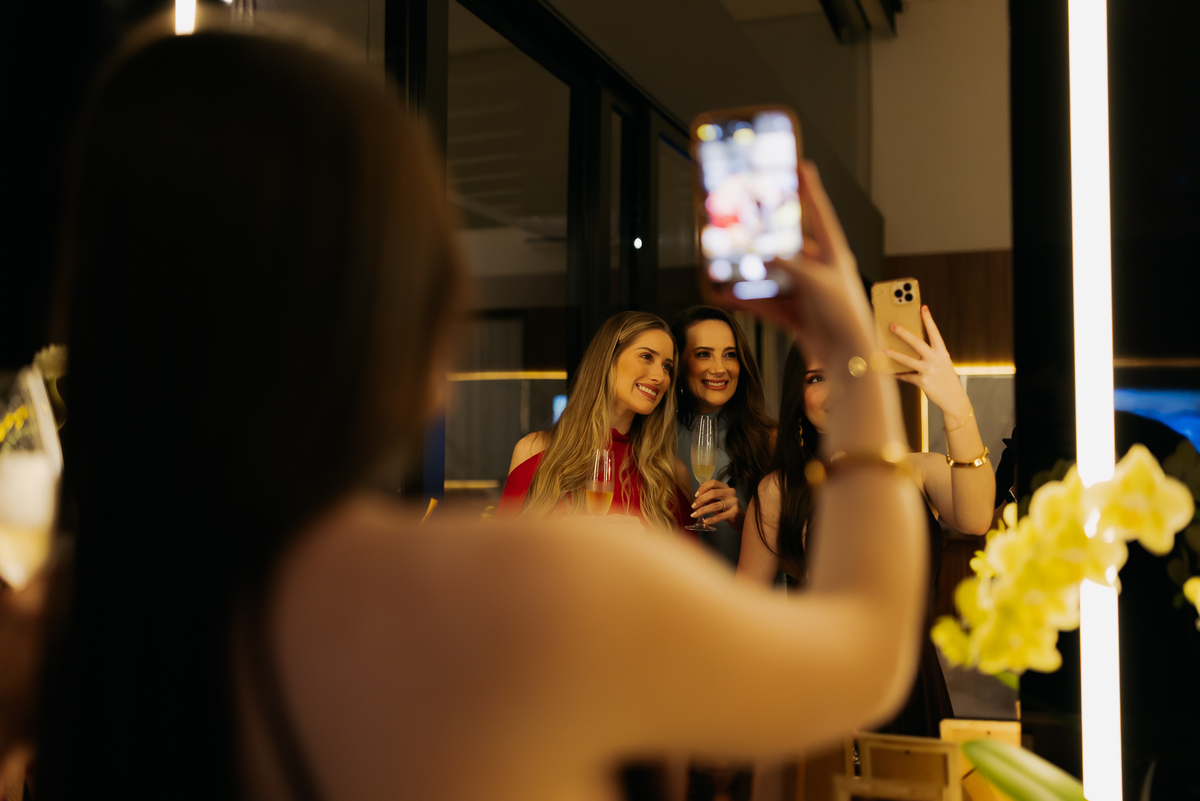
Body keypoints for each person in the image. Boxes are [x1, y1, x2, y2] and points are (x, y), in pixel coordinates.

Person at [35, 13, 928, 801]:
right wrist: (850, 350)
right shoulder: (539, 584)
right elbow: (864, 653)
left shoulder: (59, 640)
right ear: (409, 335)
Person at [738, 310, 995, 737]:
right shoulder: (778, 491)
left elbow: (976, 517)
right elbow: (744, 616)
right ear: (798, 395)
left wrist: (955, 403)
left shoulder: (918, 470)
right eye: (817, 377)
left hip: (912, 688)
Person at [500, 311, 693, 532]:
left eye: (667, 367)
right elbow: (501, 551)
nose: (660, 377)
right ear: (608, 358)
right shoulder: (535, 451)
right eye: (646, 357)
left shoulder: (671, 474)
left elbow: (686, 554)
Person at [670, 306, 776, 565]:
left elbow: (797, 551)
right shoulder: (654, 440)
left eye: (730, 354)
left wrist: (744, 520)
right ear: (679, 365)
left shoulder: (769, 440)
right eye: (704, 354)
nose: (719, 368)